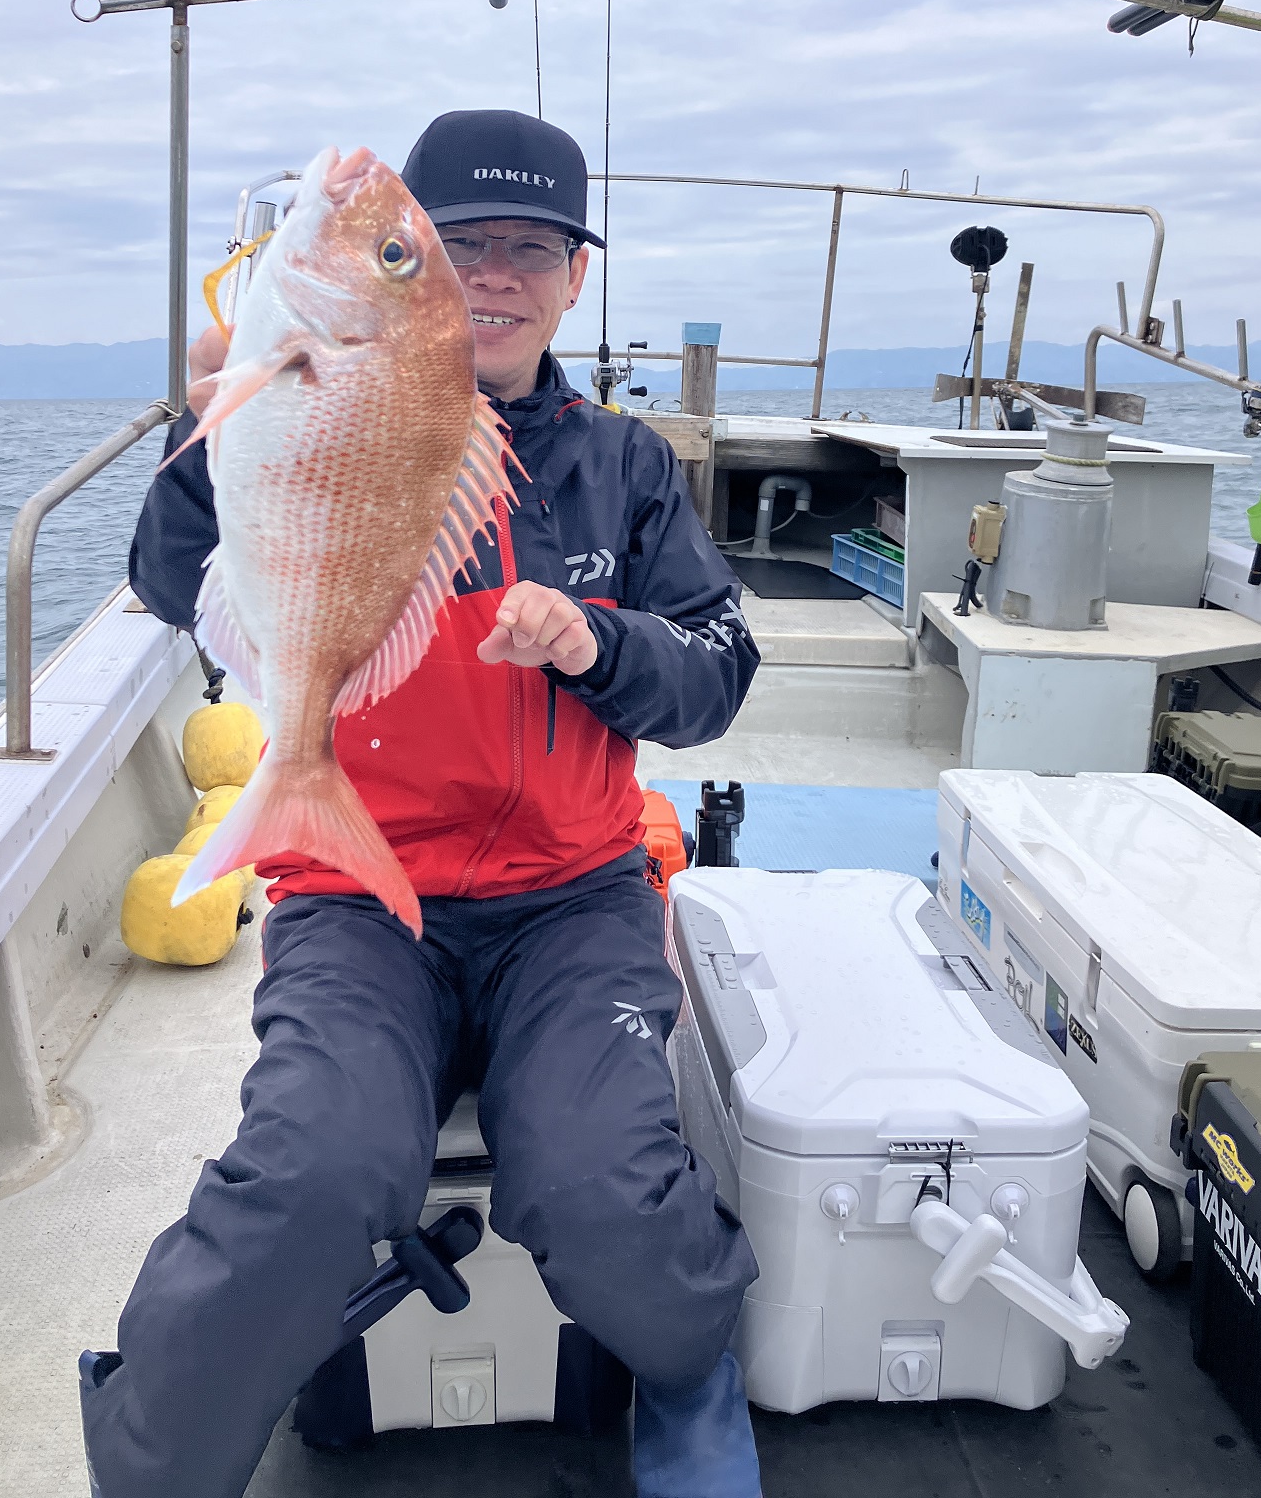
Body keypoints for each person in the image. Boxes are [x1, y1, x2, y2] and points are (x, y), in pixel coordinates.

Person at [80, 110, 763, 1498]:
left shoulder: (627, 467)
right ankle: (153, 1463)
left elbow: (716, 671)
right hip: (356, 895)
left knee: (603, 1185)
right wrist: (214, 426)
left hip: (573, 902)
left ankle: (692, 1374)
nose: (498, 275)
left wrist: (597, 643)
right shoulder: (308, 381)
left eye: (535, 250)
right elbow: (167, 585)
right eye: (458, 248)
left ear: (575, 278)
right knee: (315, 1175)